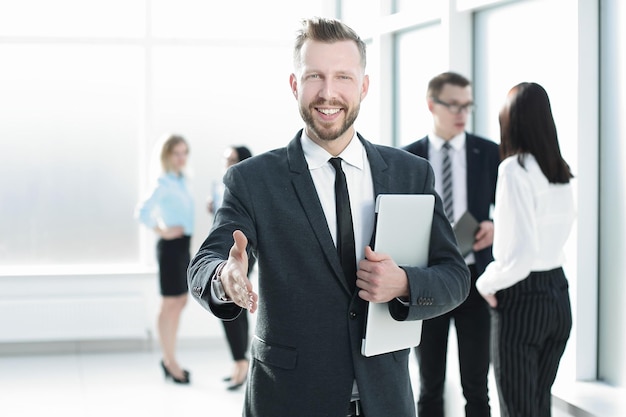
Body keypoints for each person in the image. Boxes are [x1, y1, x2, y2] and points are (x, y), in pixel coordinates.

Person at [188, 17, 470, 417]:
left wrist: (405, 283)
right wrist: (224, 277)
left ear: (364, 86)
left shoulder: (411, 173)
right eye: (314, 76)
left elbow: (455, 277)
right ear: (294, 85)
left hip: (385, 401)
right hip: (289, 400)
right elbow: (205, 263)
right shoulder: (252, 180)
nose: (328, 92)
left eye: (343, 77)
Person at [476, 82, 575, 417]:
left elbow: (518, 256)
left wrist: (485, 284)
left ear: (511, 121)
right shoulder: (558, 170)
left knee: (518, 411)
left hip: (523, 299)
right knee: (538, 405)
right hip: (559, 295)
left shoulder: (514, 169)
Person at [403, 72, 499, 417]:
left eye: (467, 106)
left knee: (477, 386)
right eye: (454, 104)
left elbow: (515, 213)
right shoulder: (408, 159)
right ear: (432, 104)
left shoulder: (489, 153)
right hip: (430, 281)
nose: (462, 113)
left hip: (475, 279)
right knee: (429, 385)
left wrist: (495, 226)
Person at [135, 134, 193, 384]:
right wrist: (162, 229)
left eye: (184, 153)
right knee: (169, 304)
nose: (181, 158)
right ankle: (169, 361)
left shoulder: (180, 181)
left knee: (180, 301)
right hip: (170, 248)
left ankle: (171, 357)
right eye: (176, 153)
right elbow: (142, 211)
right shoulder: (164, 182)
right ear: (166, 156)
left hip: (183, 247)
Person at [207, 145, 254, 390]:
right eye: (225, 159)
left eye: (232, 159)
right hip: (224, 251)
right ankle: (239, 361)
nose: (227, 164)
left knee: (235, 302)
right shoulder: (223, 186)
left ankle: (241, 362)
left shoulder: (247, 186)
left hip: (241, 249)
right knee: (229, 304)